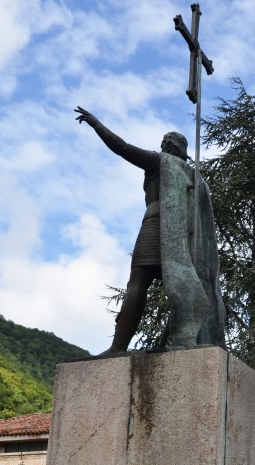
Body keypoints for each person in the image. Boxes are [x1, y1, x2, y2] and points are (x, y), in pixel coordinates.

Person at [75, 106, 225, 355]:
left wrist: (97, 125)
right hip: (185, 238)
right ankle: (176, 339)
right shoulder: (195, 179)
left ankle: (118, 346)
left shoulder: (160, 162)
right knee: (179, 284)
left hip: (156, 225)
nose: (164, 143)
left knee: (138, 282)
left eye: (168, 141)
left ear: (173, 148)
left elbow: (123, 148)